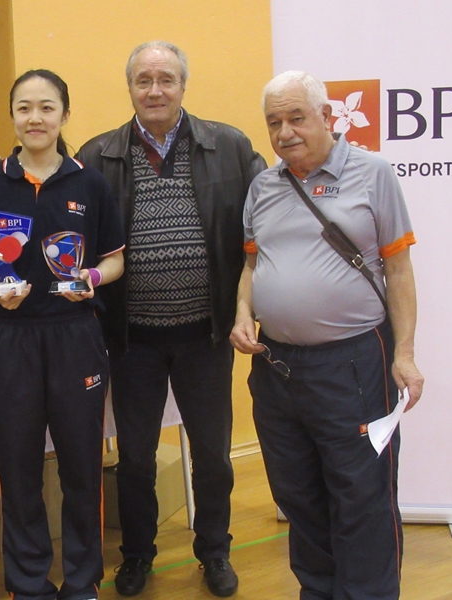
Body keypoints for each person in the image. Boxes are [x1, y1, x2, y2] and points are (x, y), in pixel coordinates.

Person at [75, 41, 265, 597]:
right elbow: (59, 209)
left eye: (166, 79)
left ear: (183, 85)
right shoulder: (98, 154)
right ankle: (137, 555)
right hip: (131, 341)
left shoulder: (229, 146)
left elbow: (270, 212)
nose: (155, 90)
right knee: (135, 459)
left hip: (206, 335)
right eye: (144, 80)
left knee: (213, 456)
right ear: (130, 87)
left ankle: (215, 550)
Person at [229, 70, 425, 600]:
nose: (285, 131)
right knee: (298, 495)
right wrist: (243, 312)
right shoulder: (263, 187)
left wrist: (405, 354)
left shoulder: (373, 174)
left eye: (296, 118)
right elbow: (252, 267)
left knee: (363, 497)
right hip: (276, 369)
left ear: (326, 116)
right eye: (274, 122)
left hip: (354, 365)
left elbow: (399, 271)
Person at [0, 69, 125, 600]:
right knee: (18, 470)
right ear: (12, 115)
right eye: (24, 107)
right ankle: (29, 585)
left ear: (64, 114)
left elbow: (115, 260)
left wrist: (91, 279)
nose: (35, 118)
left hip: (76, 334)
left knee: (82, 468)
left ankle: (82, 582)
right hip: (11, 337)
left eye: (47, 107)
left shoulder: (90, 184)